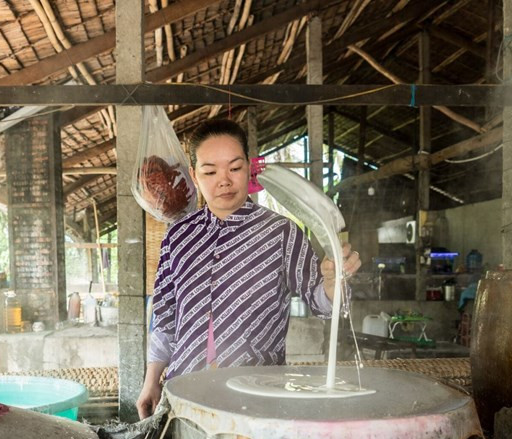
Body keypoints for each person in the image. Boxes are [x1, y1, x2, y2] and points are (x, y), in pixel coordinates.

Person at [136, 118, 361, 419]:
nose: (224, 181)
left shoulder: (281, 233)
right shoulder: (178, 236)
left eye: (235, 168)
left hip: (259, 397)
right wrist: (151, 381)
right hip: (186, 391)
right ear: (194, 175)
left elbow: (321, 302)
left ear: (249, 168)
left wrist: (333, 284)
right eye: (210, 171)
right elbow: (165, 316)